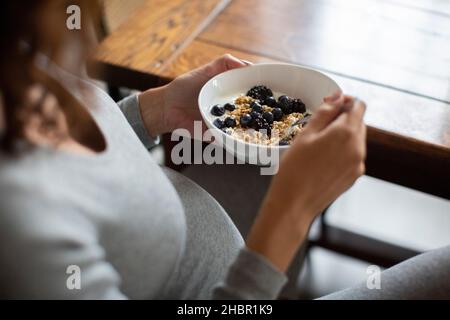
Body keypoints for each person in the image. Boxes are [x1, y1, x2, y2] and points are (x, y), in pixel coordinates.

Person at [0, 1, 448, 300]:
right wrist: (291, 214)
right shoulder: (21, 231)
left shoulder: (16, 61)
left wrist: (152, 110)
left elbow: (78, 161)